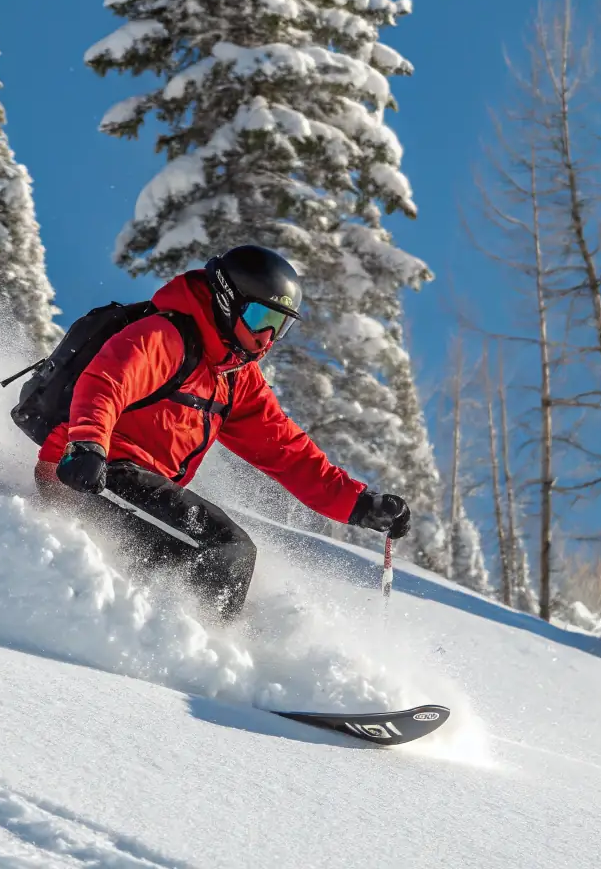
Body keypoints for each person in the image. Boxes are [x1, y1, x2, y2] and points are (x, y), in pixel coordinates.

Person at [35, 245, 411, 623]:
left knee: (208, 558)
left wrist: (359, 504)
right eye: (260, 317)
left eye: (280, 326)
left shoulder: (234, 377)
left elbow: (286, 450)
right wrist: (87, 445)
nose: (267, 337)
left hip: (128, 481)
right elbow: (105, 383)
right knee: (225, 549)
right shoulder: (165, 337)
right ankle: (207, 652)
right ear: (229, 300)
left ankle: (170, 636)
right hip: (88, 473)